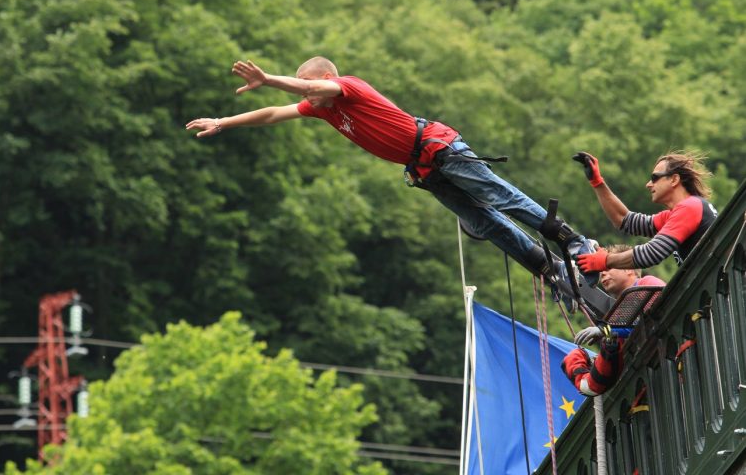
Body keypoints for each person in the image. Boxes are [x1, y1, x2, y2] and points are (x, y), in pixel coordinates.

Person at [186, 57, 599, 295]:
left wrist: (270, 79)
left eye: (307, 86)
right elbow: (274, 113)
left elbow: (294, 92)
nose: (304, 95)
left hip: (440, 149)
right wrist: (224, 121)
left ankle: (575, 243)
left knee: (500, 198)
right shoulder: (320, 109)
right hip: (425, 170)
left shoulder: (346, 87)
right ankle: (548, 268)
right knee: (482, 222)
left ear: (325, 80)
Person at [573, 151, 718, 276]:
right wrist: (597, 182)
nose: (648, 184)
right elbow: (625, 220)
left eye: (655, 178)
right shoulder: (677, 213)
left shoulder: (690, 207)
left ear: (674, 179)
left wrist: (605, 261)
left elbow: (651, 254)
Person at [562, 245, 665, 396]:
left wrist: (605, 330)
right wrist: (576, 364)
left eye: (608, 267)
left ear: (628, 268)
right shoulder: (614, 320)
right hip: (652, 384)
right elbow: (599, 380)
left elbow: (649, 320)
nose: (602, 274)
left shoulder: (647, 283)